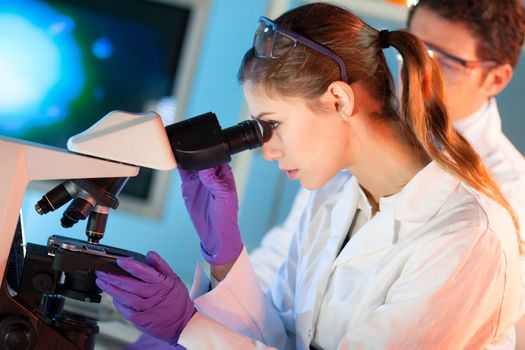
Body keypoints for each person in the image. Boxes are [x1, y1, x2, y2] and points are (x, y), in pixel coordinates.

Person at [96, 2, 524, 349]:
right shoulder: (336, 192)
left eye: (273, 124)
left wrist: (189, 328)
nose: (267, 150)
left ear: (338, 100)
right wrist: (225, 256)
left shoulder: (466, 236)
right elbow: (281, 338)